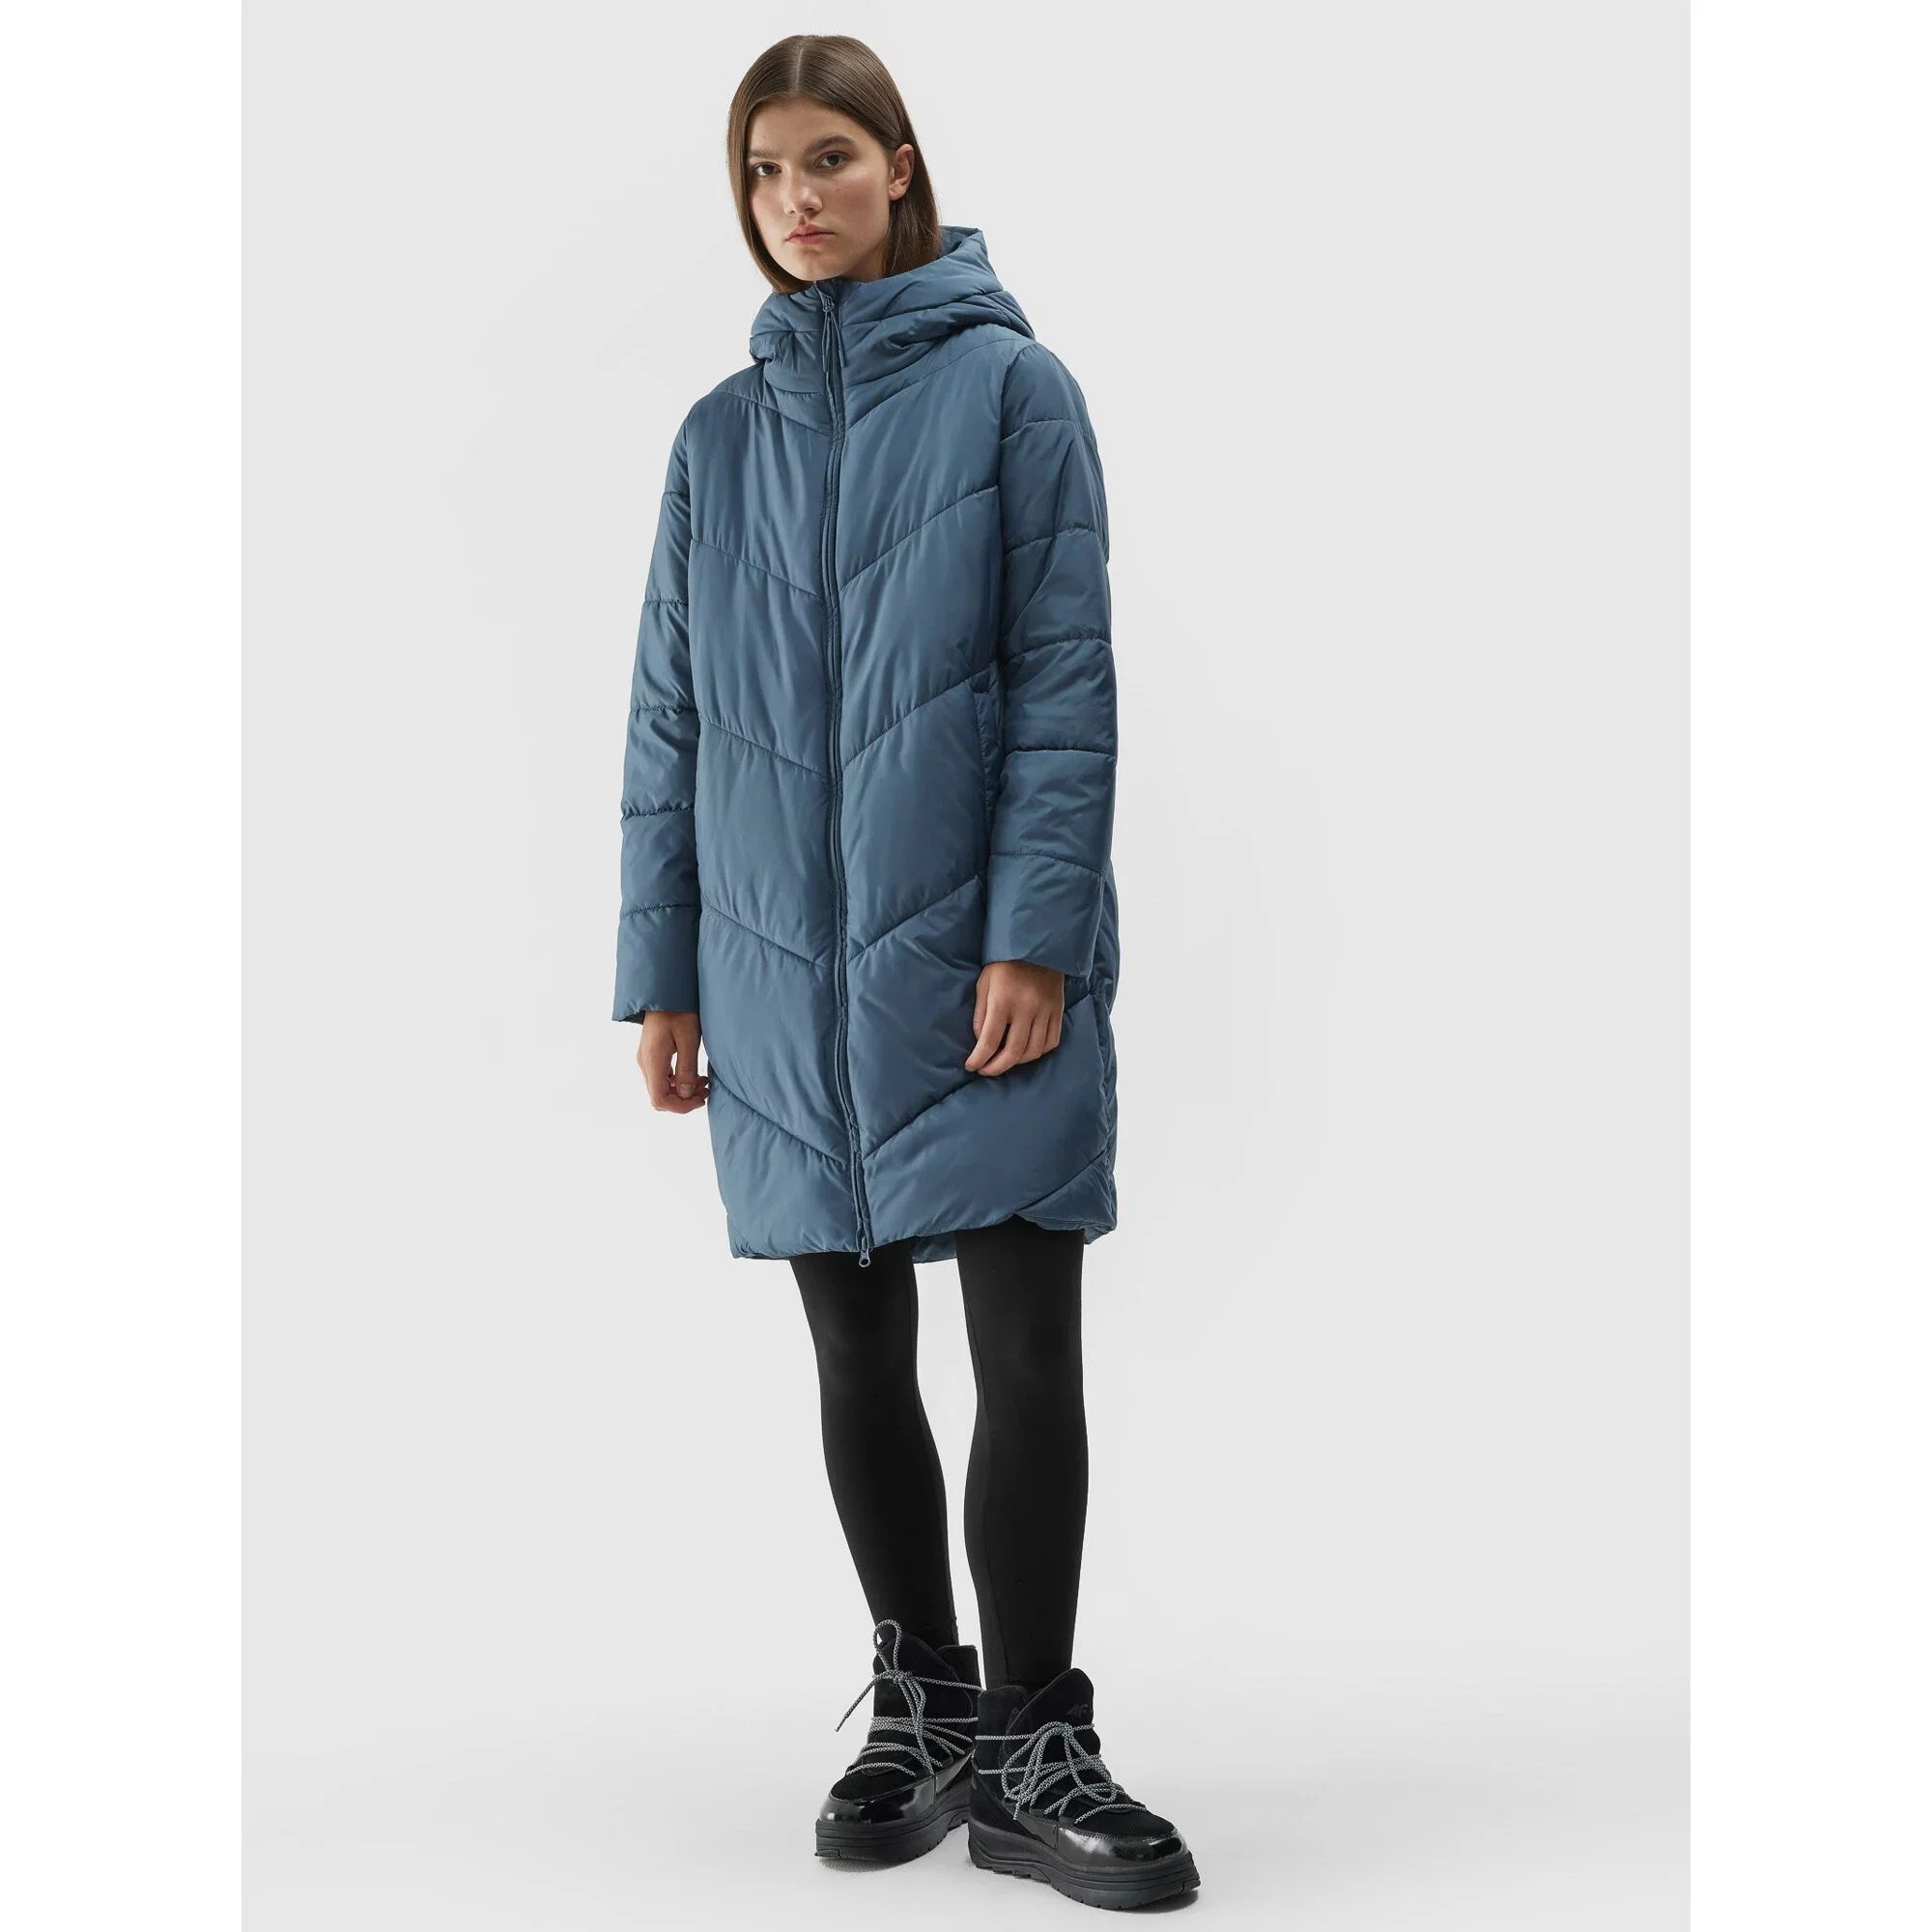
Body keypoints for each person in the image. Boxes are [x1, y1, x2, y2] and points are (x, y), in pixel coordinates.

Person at [612, 34, 1198, 1912]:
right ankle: (925, 1698)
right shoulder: (716, 441)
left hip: (976, 965)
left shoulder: (1016, 393)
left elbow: (1066, 684)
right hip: (777, 972)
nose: (795, 199)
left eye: (828, 159)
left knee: (1024, 1345)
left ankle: (1034, 1740)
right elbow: (667, 718)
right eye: (764, 170)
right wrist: (664, 970)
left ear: (901, 167)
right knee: (854, 1345)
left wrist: (1035, 934)